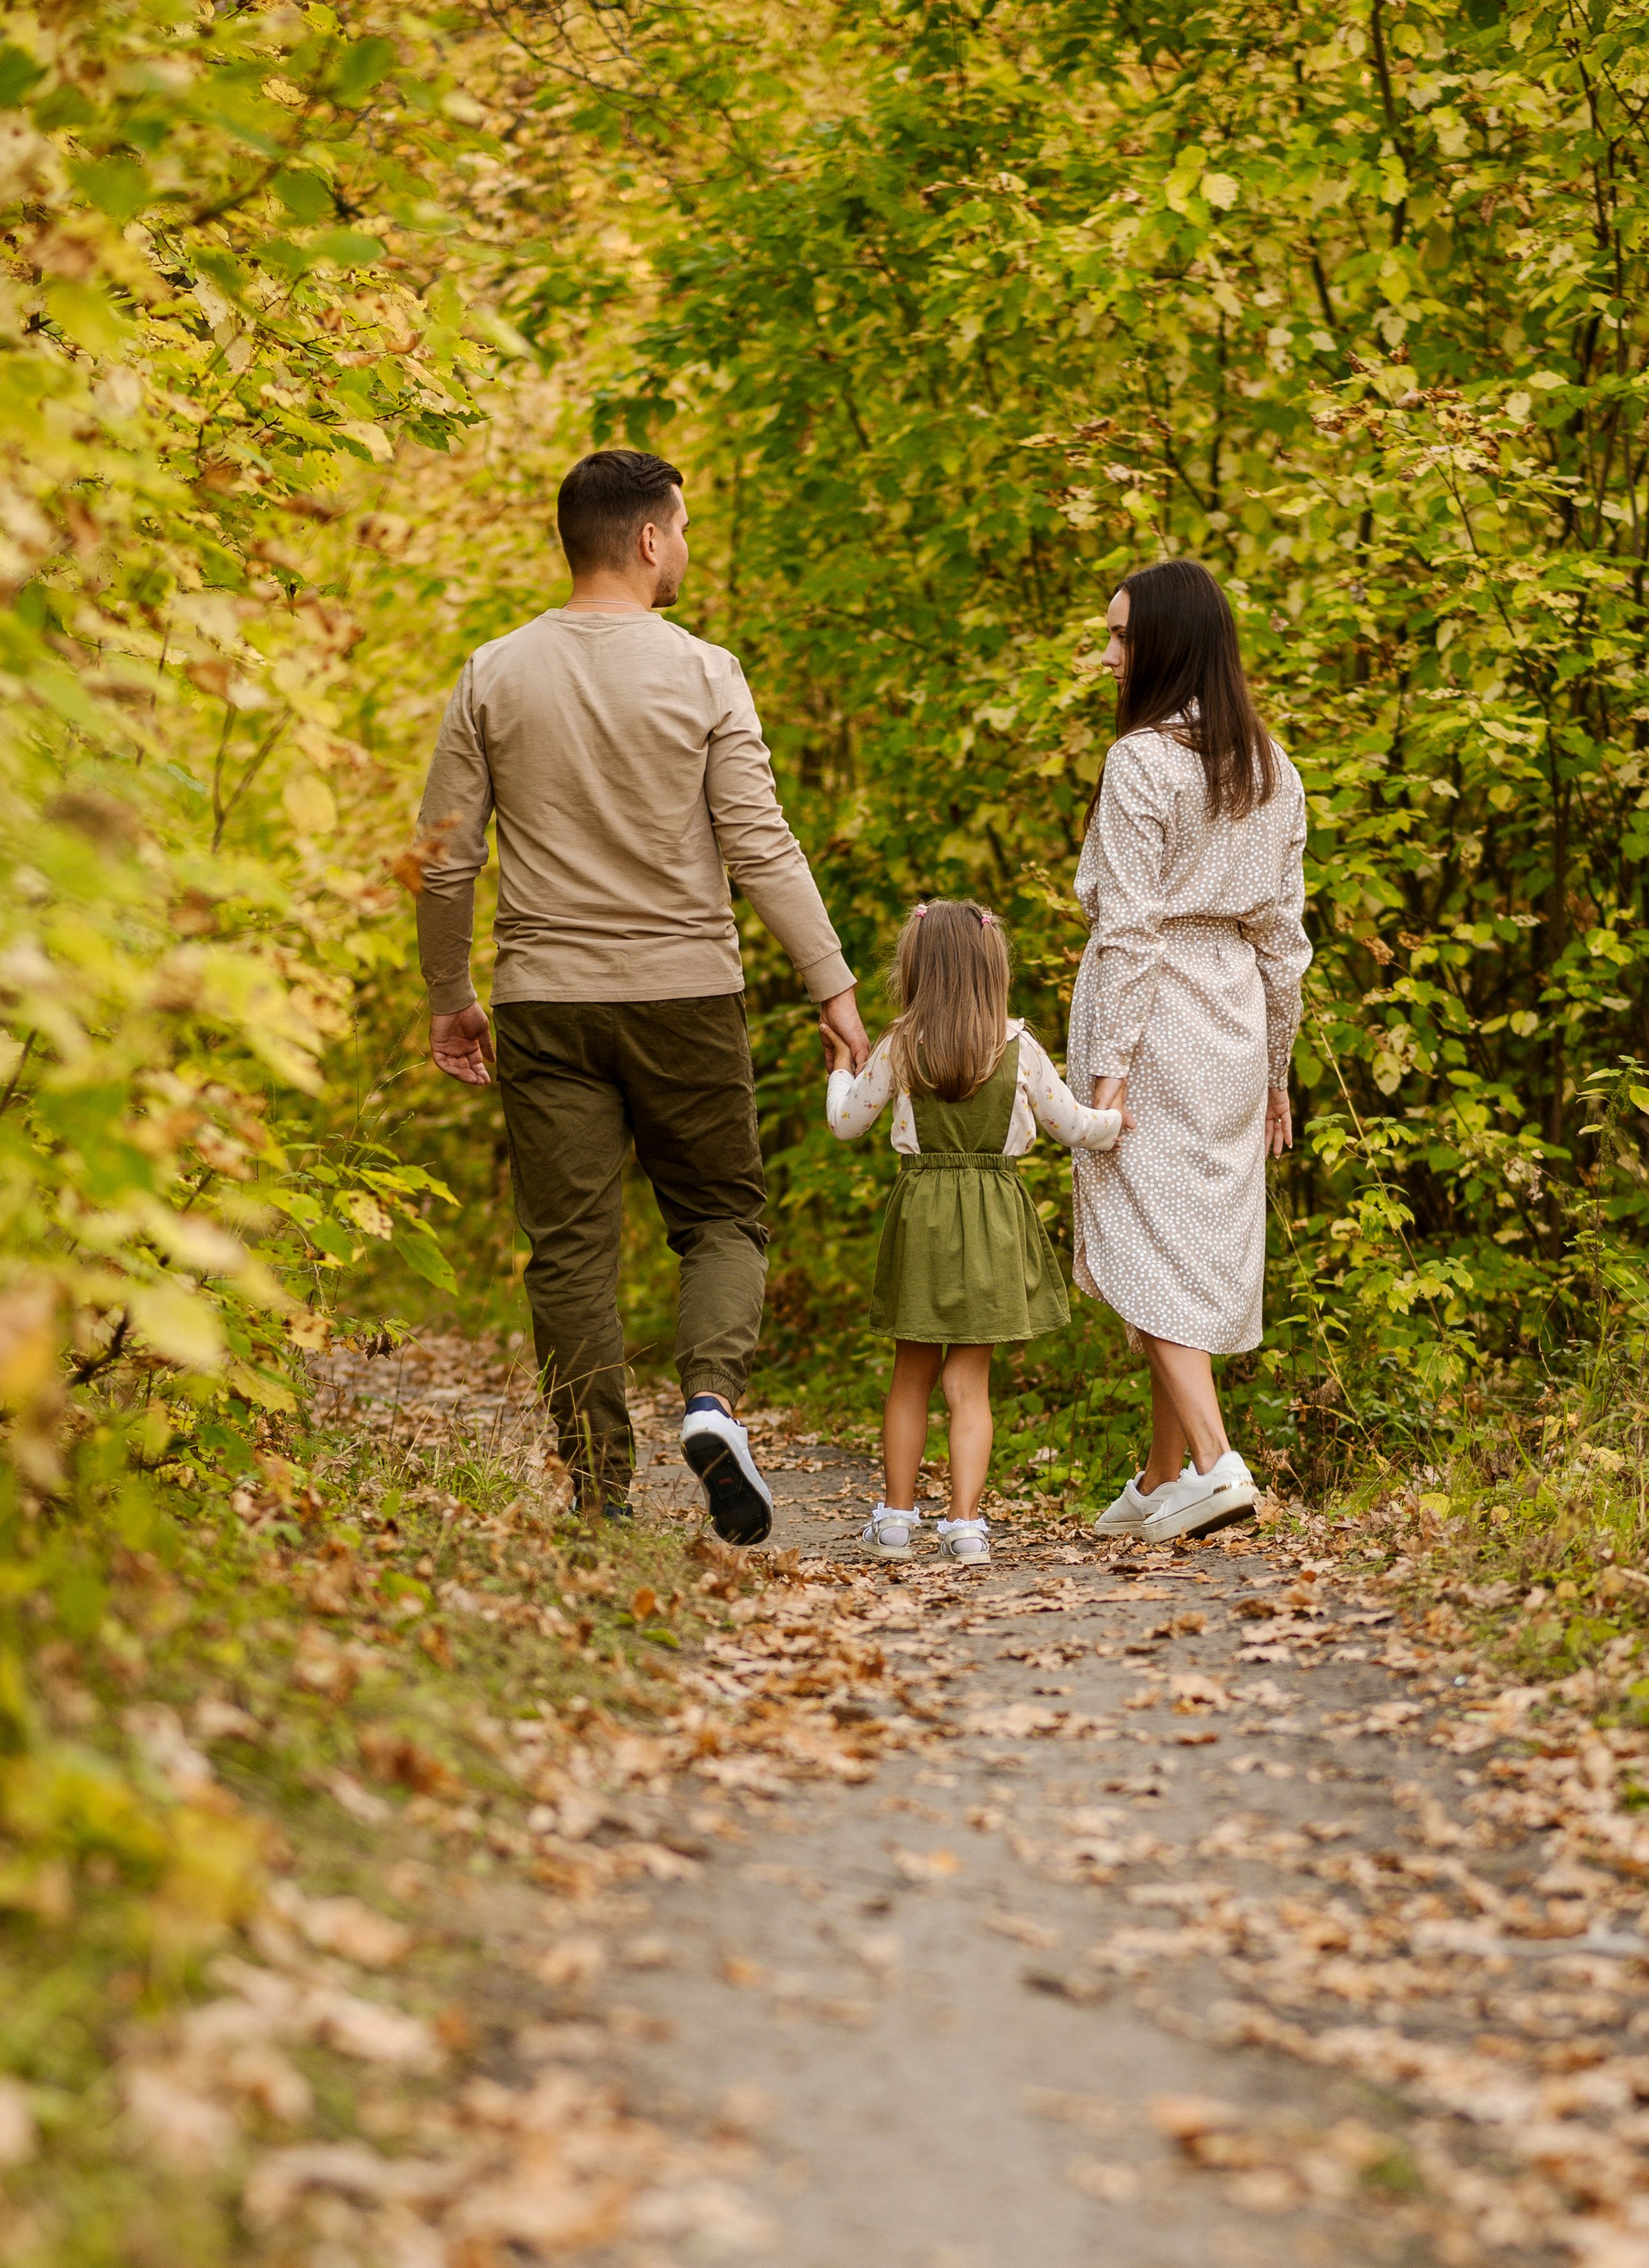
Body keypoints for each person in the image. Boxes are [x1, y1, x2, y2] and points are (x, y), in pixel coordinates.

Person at [409, 446, 868, 1542]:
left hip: (544, 1000)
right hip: (686, 997)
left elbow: (443, 860)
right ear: (652, 538)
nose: (688, 549)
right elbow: (760, 848)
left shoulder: (494, 671)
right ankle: (710, 1405)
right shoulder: (706, 672)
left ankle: (600, 1494)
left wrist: (447, 992)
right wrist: (833, 987)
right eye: (686, 528)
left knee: (570, 1247)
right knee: (719, 1218)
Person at [1066, 556, 1310, 1542]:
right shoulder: (1272, 765)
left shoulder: (1142, 763)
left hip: (1156, 1015)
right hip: (1235, 1019)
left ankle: (1215, 1462)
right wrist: (1275, 1071)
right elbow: (1285, 940)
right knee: (1183, 1246)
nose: (1110, 655)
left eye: (1124, 636)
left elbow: (1127, 927)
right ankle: (1159, 1476)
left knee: (1137, 1234)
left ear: (1168, 642)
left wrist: (1109, 1075)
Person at [827, 899, 1125, 1567]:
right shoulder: (1019, 1046)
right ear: (993, 968)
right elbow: (1073, 1126)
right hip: (993, 1220)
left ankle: (898, 1520)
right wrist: (1115, 1120)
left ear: (915, 970)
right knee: (970, 1384)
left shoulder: (901, 1042)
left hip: (923, 1218)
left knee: (911, 1375)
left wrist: (841, 1069)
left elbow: (847, 1123)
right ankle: (965, 1525)